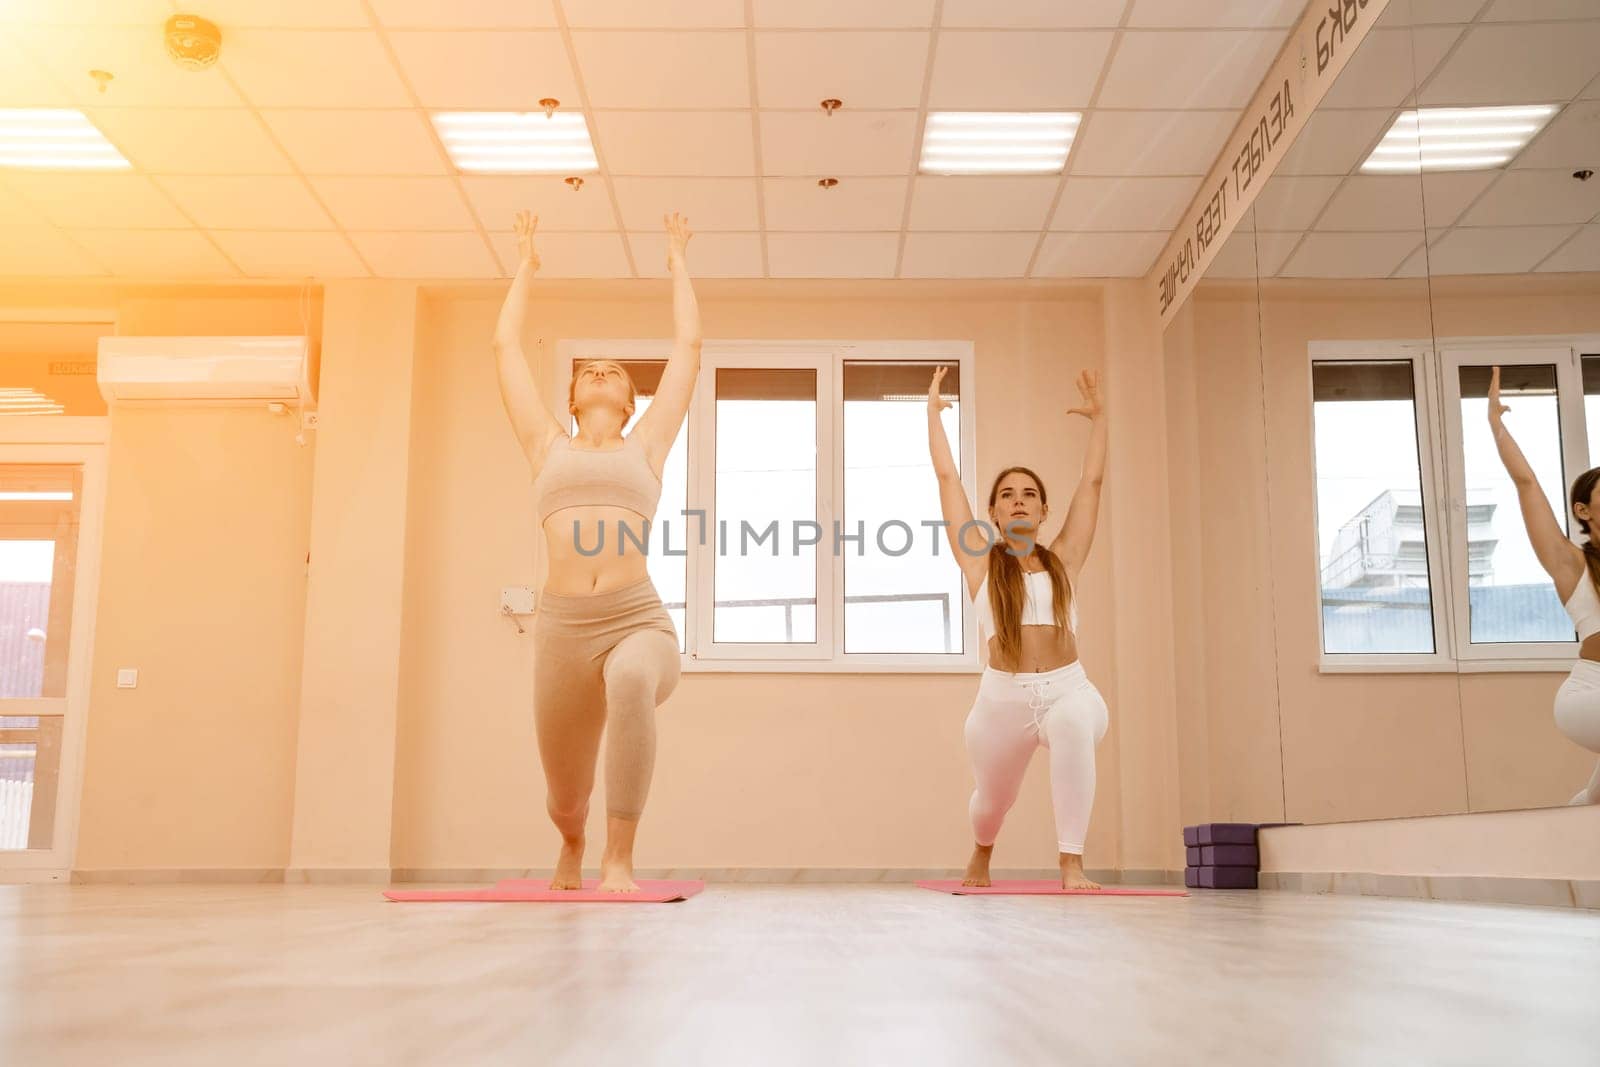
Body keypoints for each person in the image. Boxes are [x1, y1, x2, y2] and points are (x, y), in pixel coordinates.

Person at [492, 209, 701, 890]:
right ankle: (575, 838)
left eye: (615, 371)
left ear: (631, 400)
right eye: (590, 371)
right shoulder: (544, 444)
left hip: (635, 617)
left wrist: (676, 261)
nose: (602, 372)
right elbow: (505, 349)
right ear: (575, 398)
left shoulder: (648, 446)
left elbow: (689, 348)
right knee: (563, 790)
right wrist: (525, 263)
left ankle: (620, 857)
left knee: (633, 678)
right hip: (562, 628)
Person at [925, 365, 1111, 889]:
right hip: (1002, 700)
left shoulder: (1064, 561)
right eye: (1007, 495)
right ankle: (981, 854)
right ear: (994, 513)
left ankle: (1071, 864)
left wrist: (1100, 420)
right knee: (992, 802)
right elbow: (947, 480)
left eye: (1029, 493)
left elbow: (1092, 483)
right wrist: (933, 418)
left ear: (1044, 509)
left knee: (1075, 723)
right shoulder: (981, 565)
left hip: (1067, 688)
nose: (1019, 500)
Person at [1487, 366, 1600, 805]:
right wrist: (1497, 428)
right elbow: (1527, 484)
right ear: (1584, 510)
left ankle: (1581, 809)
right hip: (1588, 694)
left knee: (1593, 805)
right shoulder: (1573, 564)